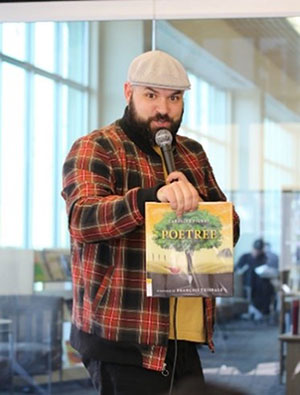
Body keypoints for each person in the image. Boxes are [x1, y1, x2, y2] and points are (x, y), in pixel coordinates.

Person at [62, 50, 240, 395]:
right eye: (151, 95)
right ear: (128, 92)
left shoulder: (192, 153)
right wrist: (150, 198)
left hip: (183, 332)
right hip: (123, 333)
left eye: (174, 98)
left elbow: (228, 226)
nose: (164, 109)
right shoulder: (97, 147)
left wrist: (207, 214)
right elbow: (83, 219)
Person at [236, 238, 275, 319]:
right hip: (246, 282)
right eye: (255, 250)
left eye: (259, 250)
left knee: (268, 287)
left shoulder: (264, 258)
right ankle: (253, 309)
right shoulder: (245, 257)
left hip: (262, 283)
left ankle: (262, 310)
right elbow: (237, 269)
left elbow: (269, 269)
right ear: (252, 248)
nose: (256, 252)